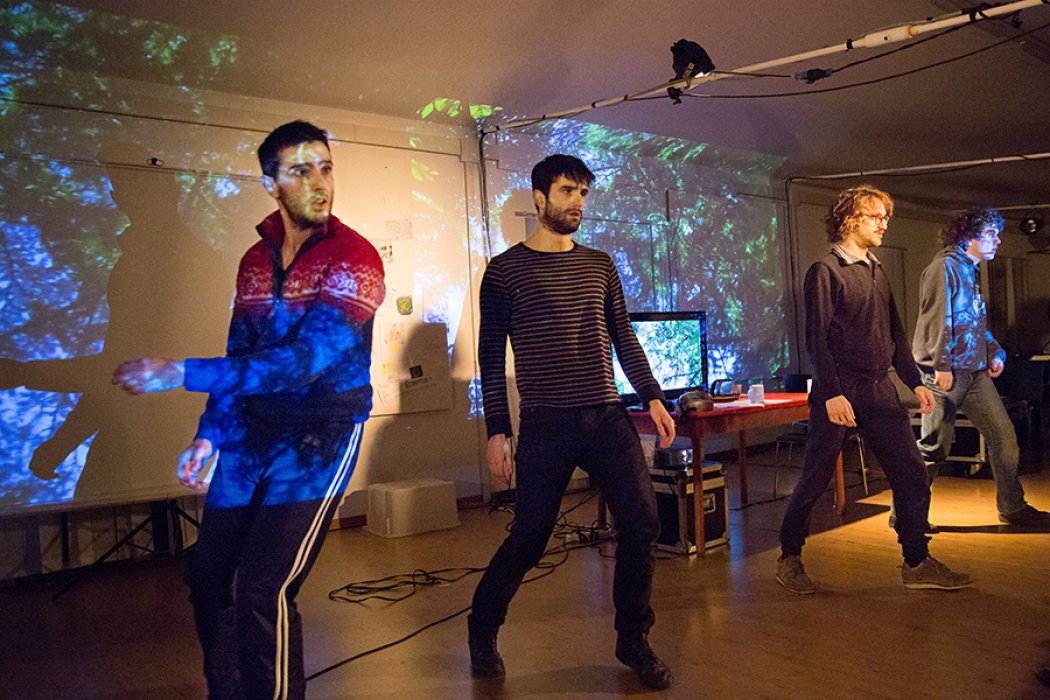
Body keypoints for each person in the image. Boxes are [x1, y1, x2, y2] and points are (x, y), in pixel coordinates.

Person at [112, 120, 385, 700]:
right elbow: (242, 352)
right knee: (208, 579)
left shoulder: (356, 258)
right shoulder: (254, 261)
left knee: (265, 588)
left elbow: (300, 364)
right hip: (251, 432)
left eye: (326, 168)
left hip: (320, 437)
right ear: (271, 184)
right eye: (301, 171)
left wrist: (179, 372)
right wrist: (209, 435)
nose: (320, 183)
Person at [468, 154, 676, 689]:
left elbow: (623, 336)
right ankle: (482, 627)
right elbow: (490, 356)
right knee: (531, 536)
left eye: (583, 192)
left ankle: (633, 639)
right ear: (539, 199)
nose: (577, 202)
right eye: (567, 191)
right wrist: (498, 430)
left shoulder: (600, 265)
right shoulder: (504, 272)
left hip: (606, 416)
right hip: (546, 422)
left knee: (643, 522)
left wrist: (652, 396)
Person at [777, 185, 972, 594]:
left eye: (886, 217)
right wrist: (832, 393)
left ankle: (916, 561)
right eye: (875, 216)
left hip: (878, 389)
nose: (884, 224)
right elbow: (817, 339)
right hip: (839, 391)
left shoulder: (876, 270)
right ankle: (789, 557)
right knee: (815, 478)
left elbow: (895, 334)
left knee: (912, 473)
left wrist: (914, 381)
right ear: (850, 219)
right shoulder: (826, 271)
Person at [912, 207, 1049, 526]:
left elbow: (972, 322)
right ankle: (907, 514)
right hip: (944, 374)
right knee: (933, 448)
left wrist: (994, 351)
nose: (998, 240)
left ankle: (1012, 506)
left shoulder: (969, 270)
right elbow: (937, 320)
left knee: (1003, 436)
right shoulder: (944, 267)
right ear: (968, 236)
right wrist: (941, 365)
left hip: (973, 374)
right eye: (991, 234)